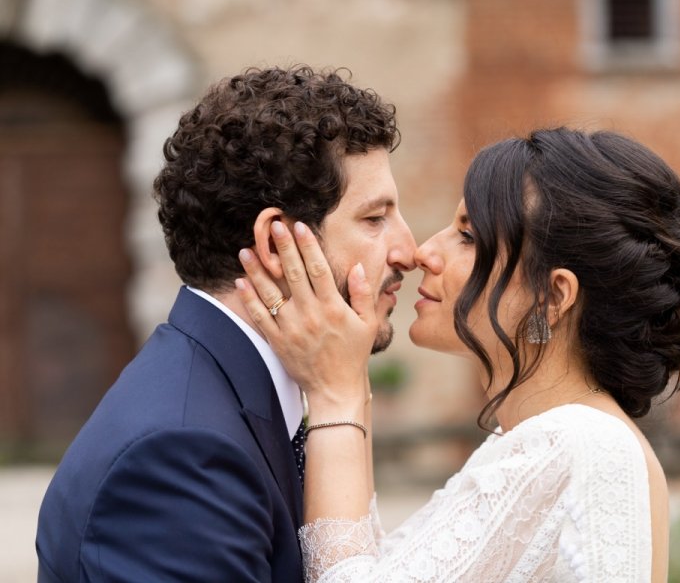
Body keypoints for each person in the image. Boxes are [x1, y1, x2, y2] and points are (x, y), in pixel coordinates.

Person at [236, 127, 680, 582]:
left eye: (468, 237)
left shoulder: (577, 443)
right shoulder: (540, 438)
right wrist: (351, 378)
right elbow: (379, 566)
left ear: (553, 297)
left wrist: (334, 394)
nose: (424, 252)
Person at [35, 65, 416, 582]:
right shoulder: (180, 458)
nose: (409, 251)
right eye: (375, 219)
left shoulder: (223, 398)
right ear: (278, 244)